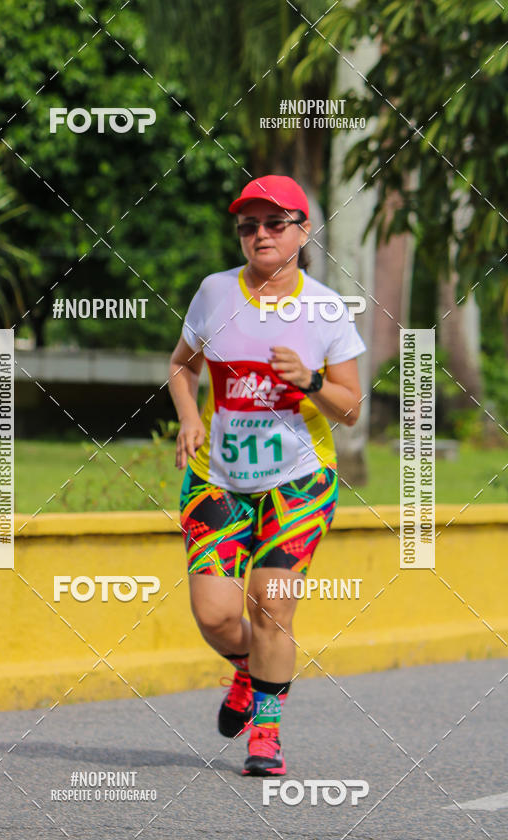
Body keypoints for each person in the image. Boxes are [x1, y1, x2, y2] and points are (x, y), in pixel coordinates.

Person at [168, 174, 365, 776]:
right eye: (248, 225)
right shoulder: (215, 293)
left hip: (298, 478)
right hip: (217, 478)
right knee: (216, 615)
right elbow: (182, 367)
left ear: (303, 231)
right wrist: (187, 421)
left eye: (274, 223)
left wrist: (307, 380)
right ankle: (249, 672)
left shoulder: (326, 308)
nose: (260, 235)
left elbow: (352, 407)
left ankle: (267, 732)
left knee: (272, 606)